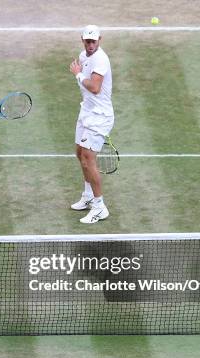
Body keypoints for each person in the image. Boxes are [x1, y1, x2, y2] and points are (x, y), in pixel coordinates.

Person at [69, 25, 115, 224]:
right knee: (79, 153)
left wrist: (78, 74)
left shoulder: (100, 59)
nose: (90, 44)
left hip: (100, 116)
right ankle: (88, 197)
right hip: (87, 111)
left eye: (93, 41)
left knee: (88, 159)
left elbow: (95, 87)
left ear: (99, 40)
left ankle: (99, 207)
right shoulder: (83, 56)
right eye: (87, 41)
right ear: (82, 40)